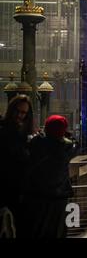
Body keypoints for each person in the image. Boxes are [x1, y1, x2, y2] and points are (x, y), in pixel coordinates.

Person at [21, 115, 79, 238]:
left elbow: (31, 142)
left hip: (38, 197)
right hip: (59, 199)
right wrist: (68, 136)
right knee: (58, 231)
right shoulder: (67, 148)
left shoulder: (36, 143)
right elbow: (76, 144)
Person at [0, 95, 34, 238]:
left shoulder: (22, 133)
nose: (20, 115)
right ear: (11, 110)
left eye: (24, 113)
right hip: (6, 191)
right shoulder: (4, 131)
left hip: (20, 192)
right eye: (18, 111)